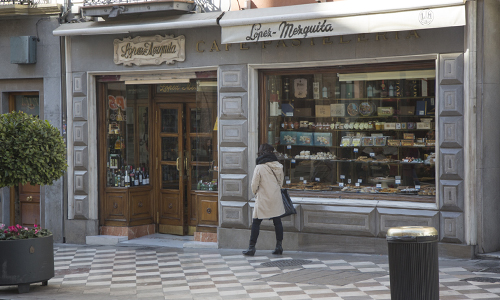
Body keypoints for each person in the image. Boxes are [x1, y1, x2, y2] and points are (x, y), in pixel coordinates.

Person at [243, 143, 285, 256]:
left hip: (263, 197)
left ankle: (251, 247)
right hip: (275, 196)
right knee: (277, 222)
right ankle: (279, 246)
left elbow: (253, 185)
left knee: (256, 222)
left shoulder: (259, 167)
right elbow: (281, 183)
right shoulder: (279, 166)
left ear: (261, 152)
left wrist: (256, 193)